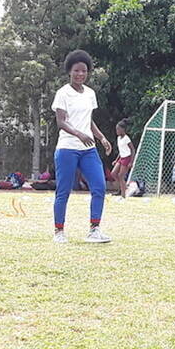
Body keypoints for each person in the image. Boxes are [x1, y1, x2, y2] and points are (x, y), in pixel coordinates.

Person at [51, 49, 112, 244]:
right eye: (76, 70)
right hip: (67, 148)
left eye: (84, 71)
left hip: (88, 149)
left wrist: (101, 138)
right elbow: (61, 122)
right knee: (63, 190)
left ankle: (94, 229)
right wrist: (78, 133)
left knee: (99, 186)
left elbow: (89, 120)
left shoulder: (90, 94)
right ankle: (59, 231)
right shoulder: (63, 93)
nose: (80, 74)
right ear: (70, 71)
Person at [111, 119, 133, 197]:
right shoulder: (118, 138)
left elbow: (132, 150)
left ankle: (123, 195)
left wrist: (131, 162)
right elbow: (121, 151)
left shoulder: (126, 138)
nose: (116, 131)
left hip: (127, 158)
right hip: (121, 158)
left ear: (123, 129)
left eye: (118, 129)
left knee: (121, 176)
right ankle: (122, 188)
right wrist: (116, 160)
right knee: (113, 173)